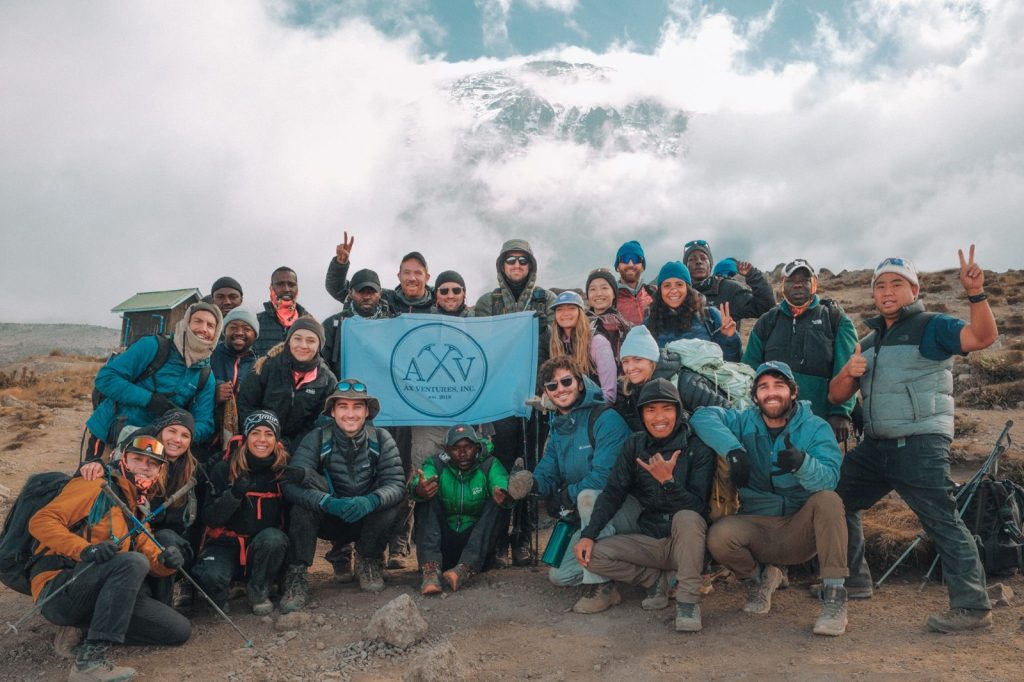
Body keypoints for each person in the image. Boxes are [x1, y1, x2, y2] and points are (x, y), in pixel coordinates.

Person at [828, 247, 999, 632]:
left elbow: (982, 337)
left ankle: (973, 606)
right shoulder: (869, 342)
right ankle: (855, 579)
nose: (887, 291)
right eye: (880, 285)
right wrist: (850, 374)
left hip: (920, 444)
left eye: (897, 284)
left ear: (914, 288)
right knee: (834, 500)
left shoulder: (932, 326)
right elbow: (836, 396)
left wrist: (976, 294)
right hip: (876, 447)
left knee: (941, 520)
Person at [690, 361, 849, 636]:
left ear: (794, 392)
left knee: (828, 501)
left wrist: (803, 464)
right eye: (763, 387)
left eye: (779, 385)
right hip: (758, 527)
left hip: (801, 529)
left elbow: (829, 480)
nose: (771, 393)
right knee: (719, 535)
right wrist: (733, 450)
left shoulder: (815, 428)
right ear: (755, 396)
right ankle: (759, 580)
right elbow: (701, 416)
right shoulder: (743, 420)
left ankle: (835, 598)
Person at [29, 435, 190, 681]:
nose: (145, 467)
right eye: (138, 459)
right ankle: (89, 663)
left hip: (103, 594)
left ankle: (84, 630)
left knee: (178, 630)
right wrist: (85, 549)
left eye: (153, 463)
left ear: (159, 470)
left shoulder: (135, 504)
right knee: (133, 562)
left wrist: (167, 563)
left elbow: (150, 552)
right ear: (123, 459)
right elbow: (41, 521)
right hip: (60, 587)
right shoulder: (94, 485)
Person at [574, 379, 715, 632]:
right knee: (590, 555)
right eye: (650, 410)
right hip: (648, 539)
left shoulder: (696, 448)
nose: (659, 417)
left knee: (688, 517)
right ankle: (654, 579)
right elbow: (613, 492)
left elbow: (698, 507)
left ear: (678, 411)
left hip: (684, 543)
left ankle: (688, 603)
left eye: (666, 409)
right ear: (641, 414)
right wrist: (589, 534)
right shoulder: (635, 445)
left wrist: (668, 482)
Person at [280, 380, 405, 609]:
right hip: (329, 518)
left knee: (394, 502)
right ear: (333, 411)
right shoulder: (317, 439)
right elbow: (290, 484)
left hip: (367, 518)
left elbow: (396, 483)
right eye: (343, 407)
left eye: (357, 407)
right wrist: (326, 502)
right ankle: (296, 574)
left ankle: (369, 560)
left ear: (367, 412)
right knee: (301, 508)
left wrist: (371, 500)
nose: (350, 414)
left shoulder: (381, 439)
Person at [473, 239, 557, 565]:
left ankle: (522, 537)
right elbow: (479, 346)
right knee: (499, 468)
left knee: (531, 468)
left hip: (535, 399)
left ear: (531, 265)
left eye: (523, 261)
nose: (517, 266)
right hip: (499, 401)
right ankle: (496, 540)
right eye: (511, 261)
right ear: (502, 265)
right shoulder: (486, 303)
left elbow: (555, 346)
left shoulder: (544, 300)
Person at [530, 357, 635, 605]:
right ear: (546, 392)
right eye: (552, 385)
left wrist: (566, 497)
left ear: (579, 383)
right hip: (592, 514)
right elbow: (548, 468)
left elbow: (604, 477)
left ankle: (603, 586)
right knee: (561, 575)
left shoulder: (604, 418)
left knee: (588, 496)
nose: (560, 389)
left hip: (626, 508)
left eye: (566, 381)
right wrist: (531, 484)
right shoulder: (559, 426)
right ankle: (632, 571)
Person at [85, 301, 221, 460]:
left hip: (155, 450)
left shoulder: (205, 374)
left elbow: (205, 423)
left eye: (210, 325)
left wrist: (178, 433)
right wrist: (148, 400)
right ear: (186, 323)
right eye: (197, 321)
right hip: (110, 435)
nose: (203, 329)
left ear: (216, 332)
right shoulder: (153, 346)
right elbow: (106, 378)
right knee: (94, 483)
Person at [743, 259, 858, 442]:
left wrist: (841, 412)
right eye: (791, 280)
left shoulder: (835, 319)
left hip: (819, 423)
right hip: (770, 424)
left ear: (814, 284)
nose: (798, 285)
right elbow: (748, 369)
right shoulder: (767, 321)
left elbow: (847, 368)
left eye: (804, 280)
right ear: (782, 285)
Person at [410, 424, 531, 594]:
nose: (462, 453)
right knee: (425, 495)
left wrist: (504, 493)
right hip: (443, 545)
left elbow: (499, 481)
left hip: (476, 547)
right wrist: (419, 488)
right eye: (455, 448)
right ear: (446, 450)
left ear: (477, 446)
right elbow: (424, 477)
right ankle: (431, 571)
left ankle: (464, 569)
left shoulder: (489, 464)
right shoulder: (436, 463)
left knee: (498, 503)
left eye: (468, 447)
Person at [193, 410, 291, 615]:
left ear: (276, 439)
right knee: (211, 577)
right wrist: (235, 494)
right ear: (246, 437)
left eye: (269, 434)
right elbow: (210, 517)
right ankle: (224, 589)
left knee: (274, 539)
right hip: (225, 544)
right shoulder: (224, 468)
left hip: (261, 548)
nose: (262, 439)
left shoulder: (282, 470)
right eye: (255, 433)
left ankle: (258, 590)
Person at [238, 317, 337, 453]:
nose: (303, 345)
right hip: (259, 441)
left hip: (299, 448)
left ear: (319, 346)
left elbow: (318, 424)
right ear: (289, 341)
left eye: (311, 341)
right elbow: (246, 405)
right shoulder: (266, 367)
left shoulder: (327, 380)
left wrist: (289, 446)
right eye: (297, 338)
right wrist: (266, 437)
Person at [614, 326, 731, 432]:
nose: (630, 368)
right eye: (625, 361)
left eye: (638, 359)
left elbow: (728, 414)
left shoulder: (686, 383)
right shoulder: (629, 389)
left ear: (652, 360)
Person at [644, 261, 740, 360]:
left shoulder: (710, 317)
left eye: (679, 284)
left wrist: (730, 338)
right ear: (660, 291)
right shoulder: (649, 322)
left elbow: (730, 362)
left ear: (688, 288)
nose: (673, 290)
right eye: (667, 285)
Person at [325, 232, 435, 313]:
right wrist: (340, 264)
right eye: (407, 272)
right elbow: (337, 289)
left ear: (427, 277)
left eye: (418, 273)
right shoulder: (383, 298)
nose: (412, 278)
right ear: (399, 276)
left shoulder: (442, 299)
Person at [321, 268, 396, 378]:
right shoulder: (332, 325)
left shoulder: (393, 325)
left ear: (380, 293)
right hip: (345, 391)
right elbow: (319, 362)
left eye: (371, 292)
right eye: (361, 291)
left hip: (382, 391)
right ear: (350, 293)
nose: (366, 296)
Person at [682, 240, 775, 325]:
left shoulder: (728, 289)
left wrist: (753, 275)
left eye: (703, 258)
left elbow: (765, 307)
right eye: (692, 259)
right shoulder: (678, 294)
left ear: (710, 265)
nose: (698, 262)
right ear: (685, 267)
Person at [548, 291, 617, 404]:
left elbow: (609, 394)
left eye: (571, 308)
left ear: (580, 312)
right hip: (571, 413)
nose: (565, 313)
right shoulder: (556, 344)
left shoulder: (597, 342)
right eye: (559, 309)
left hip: (596, 410)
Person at [209, 307, 260, 452]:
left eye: (246, 328)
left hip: (242, 440)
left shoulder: (260, 365)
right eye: (233, 327)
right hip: (208, 436)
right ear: (224, 331)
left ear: (254, 335)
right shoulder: (209, 356)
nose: (239, 332)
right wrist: (214, 392)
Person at [253, 266, 310, 358]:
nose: (286, 289)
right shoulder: (255, 322)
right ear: (271, 288)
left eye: (291, 284)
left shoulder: (310, 323)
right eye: (280, 284)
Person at [613, 240, 655, 325]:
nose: (630, 264)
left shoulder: (655, 293)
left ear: (642, 267)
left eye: (636, 259)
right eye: (624, 259)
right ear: (617, 267)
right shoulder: (611, 300)